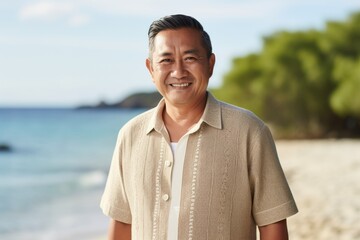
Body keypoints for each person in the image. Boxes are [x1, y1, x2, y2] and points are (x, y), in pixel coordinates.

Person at [100, 14, 298, 240]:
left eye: (190, 58)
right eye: (166, 60)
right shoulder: (130, 135)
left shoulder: (249, 131)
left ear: (210, 64)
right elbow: (122, 224)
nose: (178, 71)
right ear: (150, 69)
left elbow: (273, 224)